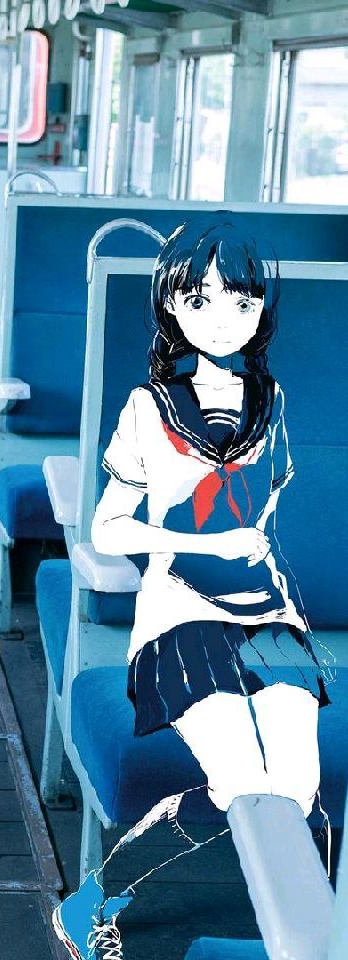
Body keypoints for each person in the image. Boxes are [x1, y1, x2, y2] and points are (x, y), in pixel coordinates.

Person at [52, 214, 334, 959]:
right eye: (201, 300)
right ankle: (98, 899)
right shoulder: (148, 408)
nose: (222, 317)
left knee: (294, 782)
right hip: (181, 614)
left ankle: (307, 938)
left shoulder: (273, 403)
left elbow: (279, 502)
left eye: (241, 301)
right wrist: (200, 542)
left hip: (268, 612)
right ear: (172, 305)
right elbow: (109, 528)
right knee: (240, 774)